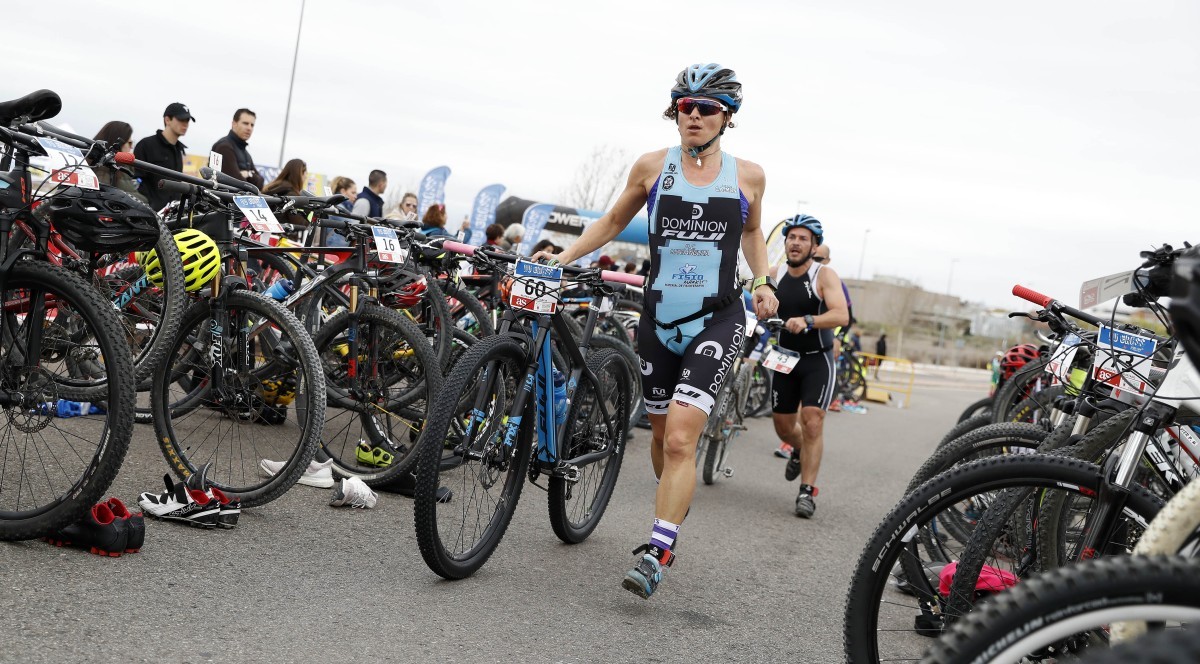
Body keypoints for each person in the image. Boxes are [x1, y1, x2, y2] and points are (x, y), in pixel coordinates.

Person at [532, 63, 777, 599]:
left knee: (682, 439)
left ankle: (659, 548)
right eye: (683, 105)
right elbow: (612, 222)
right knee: (664, 439)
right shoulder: (650, 167)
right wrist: (565, 256)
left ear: (727, 116)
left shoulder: (749, 176)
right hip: (658, 316)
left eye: (705, 107)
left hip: (719, 316)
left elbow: (755, 232)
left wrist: (762, 279)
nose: (692, 114)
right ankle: (671, 504)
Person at [770, 215, 849, 519]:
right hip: (784, 357)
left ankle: (807, 492)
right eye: (792, 237)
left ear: (813, 245)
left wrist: (809, 320)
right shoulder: (775, 273)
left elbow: (841, 315)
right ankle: (800, 451)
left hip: (817, 358)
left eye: (803, 238)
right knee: (784, 427)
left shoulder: (823, 275)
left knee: (812, 420)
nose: (796, 243)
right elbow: (758, 299)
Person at [133, 102, 194, 210]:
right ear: (167, 120)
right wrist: (149, 205)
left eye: (187, 120)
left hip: (172, 216)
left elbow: (177, 185)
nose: (185, 124)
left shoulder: (179, 150)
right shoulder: (146, 145)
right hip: (148, 214)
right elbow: (136, 180)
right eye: (181, 119)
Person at [89, 121, 146, 203]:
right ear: (116, 144)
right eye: (129, 143)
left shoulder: (124, 167)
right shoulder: (103, 169)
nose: (132, 147)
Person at [210, 108, 265, 189]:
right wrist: (251, 177)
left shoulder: (246, 153)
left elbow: (260, 183)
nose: (249, 128)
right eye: (245, 123)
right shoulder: (224, 147)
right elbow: (236, 182)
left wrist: (248, 174)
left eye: (252, 125)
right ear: (234, 124)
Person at [263, 159, 309, 239]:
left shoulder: (271, 188)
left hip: (263, 237)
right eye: (305, 174)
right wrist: (309, 211)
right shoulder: (292, 195)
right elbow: (299, 223)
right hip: (281, 242)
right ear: (300, 174)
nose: (305, 178)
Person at [323, 176, 357, 246]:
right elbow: (353, 225)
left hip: (334, 246)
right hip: (334, 248)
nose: (355, 196)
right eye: (353, 193)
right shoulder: (338, 208)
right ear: (343, 191)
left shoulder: (337, 206)